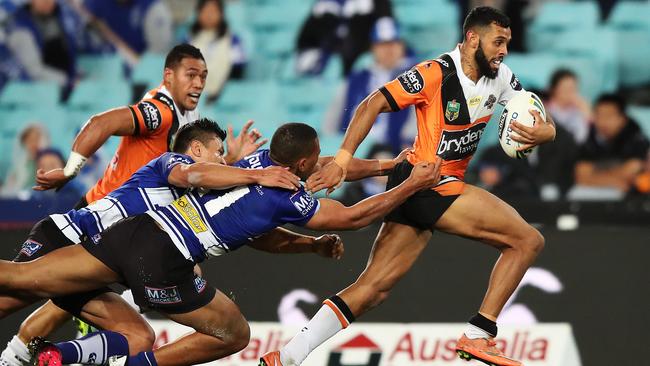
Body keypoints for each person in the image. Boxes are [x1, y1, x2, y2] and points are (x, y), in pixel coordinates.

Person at [0, 122, 442, 366]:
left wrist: (386, 166)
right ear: (303, 163)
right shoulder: (288, 193)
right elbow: (354, 216)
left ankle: (56, 358)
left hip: (129, 233)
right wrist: (410, 184)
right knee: (233, 333)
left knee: (21, 282)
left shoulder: (252, 160)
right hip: (165, 259)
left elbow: (323, 172)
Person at [261, 7, 556, 366]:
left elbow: (535, 115)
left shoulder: (501, 77)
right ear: (473, 39)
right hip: (433, 184)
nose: (504, 50)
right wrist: (341, 160)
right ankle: (480, 333)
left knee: (373, 289)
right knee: (527, 240)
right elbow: (371, 104)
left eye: (507, 43)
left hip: (414, 183)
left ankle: (288, 356)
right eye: (498, 42)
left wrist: (546, 131)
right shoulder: (434, 74)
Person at [0, 44, 264, 366]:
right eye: (191, 75)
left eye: (203, 77)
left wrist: (228, 161)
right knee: (20, 289)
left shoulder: (187, 119)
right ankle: (19, 355)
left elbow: (199, 172)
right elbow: (102, 123)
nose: (198, 83)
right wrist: (70, 170)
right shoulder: (161, 110)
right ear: (169, 75)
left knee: (132, 331)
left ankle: (32, 356)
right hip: (100, 222)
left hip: (127, 238)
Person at [0, 118, 306, 366]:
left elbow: (235, 214)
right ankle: (14, 357)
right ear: (196, 149)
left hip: (97, 262)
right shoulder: (171, 163)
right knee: (13, 291)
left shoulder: (195, 205)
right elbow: (194, 175)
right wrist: (251, 173)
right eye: (219, 152)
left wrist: (237, 165)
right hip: (68, 237)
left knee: (139, 337)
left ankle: (50, 357)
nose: (223, 160)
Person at [323, 17, 416, 155]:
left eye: (393, 43)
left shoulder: (414, 78)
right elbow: (330, 122)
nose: (389, 50)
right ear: (373, 47)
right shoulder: (355, 78)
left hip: (391, 151)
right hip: (350, 149)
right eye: (383, 44)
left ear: (402, 45)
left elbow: (416, 125)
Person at [574, 94, 650, 193]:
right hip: (600, 193)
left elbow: (631, 171)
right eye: (599, 116)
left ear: (622, 119)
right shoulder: (589, 137)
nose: (603, 122)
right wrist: (614, 180)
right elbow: (581, 176)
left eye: (609, 116)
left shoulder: (636, 138)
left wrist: (595, 176)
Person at [295, 0, 393, 76]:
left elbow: (387, 34)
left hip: (363, 58)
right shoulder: (323, 5)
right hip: (329, 64)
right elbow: (306, 39)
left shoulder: (379, 4)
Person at [6, 0, 81, 88]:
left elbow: (71, 51)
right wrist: (68, 82)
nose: (48, 2)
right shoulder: (19, 29)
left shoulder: (61, 13)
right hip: (43, 90)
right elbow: (34, 72)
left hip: (69, 79)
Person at [187, 0, 246, 102]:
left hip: (221, 96)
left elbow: (238, 70)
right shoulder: (188, 39)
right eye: (205, 11)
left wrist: (222, 92)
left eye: (213, 12)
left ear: (221, 14)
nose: (209, 15)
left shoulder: (232, 40)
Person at [1, 124, 49, 197]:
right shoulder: (17, 168)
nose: (33, 144)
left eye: (37, 139)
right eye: (30, 140)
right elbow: (7, 192)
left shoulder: (51, 164)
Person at [546, 69, 591, 145]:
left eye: (573, 89)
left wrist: (587, 114)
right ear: (553, 89)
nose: (570, 93)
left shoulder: (579, 111)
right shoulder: (545, 111)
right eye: (566, 89)